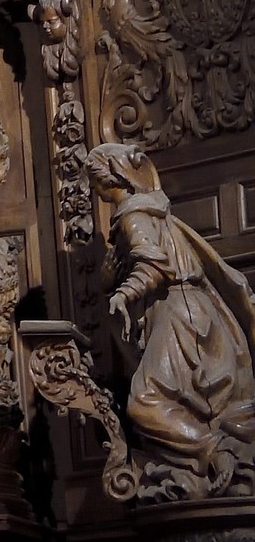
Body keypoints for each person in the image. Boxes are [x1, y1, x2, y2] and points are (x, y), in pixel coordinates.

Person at [91, 141, 255, 494]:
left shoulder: (134, 216)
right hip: (194, 312)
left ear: (110, 178)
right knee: (183, 400)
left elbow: (154, 263)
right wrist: (112, 280)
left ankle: (214, 449)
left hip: (178, 315)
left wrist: (124, 293)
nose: (94, 187)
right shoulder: (152, 211)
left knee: (143, 402)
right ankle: (212, 450)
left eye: (94, 178)